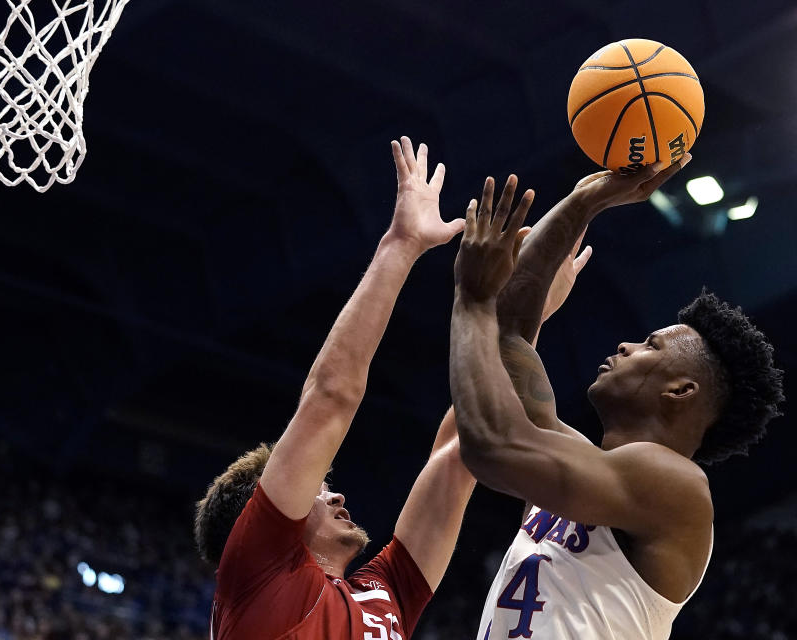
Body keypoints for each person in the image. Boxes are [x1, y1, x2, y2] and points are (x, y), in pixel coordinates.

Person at [193, 138, 585, 640]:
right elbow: (330, 397)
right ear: (263, 523)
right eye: (317, 491)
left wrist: (522, 316)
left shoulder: (383, 592)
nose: (335, 496)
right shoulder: (260, 572)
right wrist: (402, 244)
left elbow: (461, 448)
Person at [448, 161, 784, 640]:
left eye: (651, 346)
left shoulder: (678, 488)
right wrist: (585, 202)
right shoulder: (580, 466)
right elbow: (505, 336)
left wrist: (471, 298)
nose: (626, 345)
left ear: (681, 391)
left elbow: (490, 446)